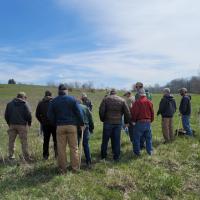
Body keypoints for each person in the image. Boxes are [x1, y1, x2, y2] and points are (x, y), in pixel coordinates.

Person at [47, 84, 84, 173]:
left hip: (60, 126)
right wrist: (81, 123)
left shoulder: (54, 101)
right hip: (72, 126)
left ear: (58, 91)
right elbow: (79, 113)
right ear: (66, 91)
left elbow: (49, 115)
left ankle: (62, 169)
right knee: (74, 148)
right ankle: (75, 168)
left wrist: (55, 123)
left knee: (61, 149)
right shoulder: (72, 99)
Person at [99, 89, 131, 161]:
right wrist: (126, 122)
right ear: (116, 94)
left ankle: (103, 156)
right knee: (117, 140)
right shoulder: (122, 100)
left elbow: (101, 111)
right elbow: (127, 112)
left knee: (105, 140)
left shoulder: (105, 99)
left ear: (110, 93)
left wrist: (103, 119)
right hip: (118, 123)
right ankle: (116, 157)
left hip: (107, 122)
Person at [4, 92, 32, 161]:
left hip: (12, 125)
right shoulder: (25, 104)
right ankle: (26, 157)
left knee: (11, 141)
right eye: (25, 97)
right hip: (22, 126)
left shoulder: (9, 104)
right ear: (23, 97)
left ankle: (11, 157)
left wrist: (9, 123)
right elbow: (29, 115)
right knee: (24, 142)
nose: (25, 99)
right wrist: (29, 123)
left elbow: (6, 115)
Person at [131, 88, 154, 156]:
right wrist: (151, 120)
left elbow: (134, 113)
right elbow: (152, 112)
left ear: (139, 94)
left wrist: (133, 121)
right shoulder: (149, 102)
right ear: (145, 94)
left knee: (136, 138)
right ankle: (150, 152)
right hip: (148, 122)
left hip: (139, 122)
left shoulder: (137, 102)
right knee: (148, 138)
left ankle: (137, 153)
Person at [36, 90, 57, 160]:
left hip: (45, 125)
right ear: (51, 95)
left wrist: (41, 121)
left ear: (45, 95)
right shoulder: (54, 102)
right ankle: (57, 155)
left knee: (46, 141)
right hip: (54, 124)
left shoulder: (41, 103)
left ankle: (45, 156)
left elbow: (37, 114)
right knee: (56, 140)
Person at [77, 100, 94, 168]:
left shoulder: (73, 107)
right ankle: (88, 161)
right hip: (85, 126)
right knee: (86, 144)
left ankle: (76, 162)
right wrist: (91, 128)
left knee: (76, 145)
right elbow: (90, 118)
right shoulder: (85, 107)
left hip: (76, 127)